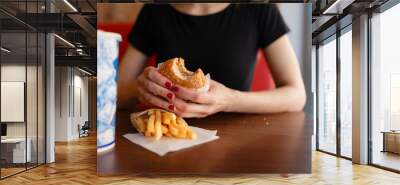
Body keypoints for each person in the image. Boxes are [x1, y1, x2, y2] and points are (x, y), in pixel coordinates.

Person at [119, 3, 306, 118]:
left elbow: (297, 96)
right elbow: (116, 93)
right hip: (166, 140)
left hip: (240, 141)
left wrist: (230, 100)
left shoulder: (261, 8)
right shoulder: (154, 11)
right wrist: (143, 89)